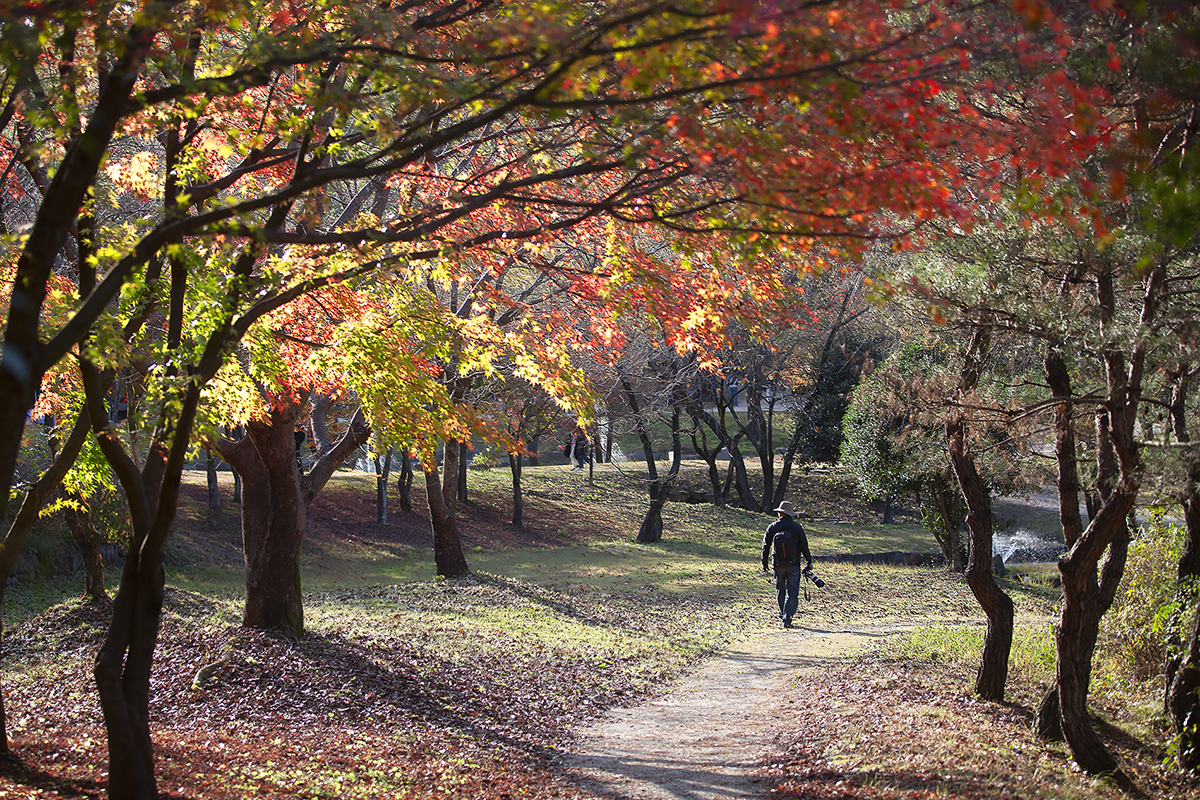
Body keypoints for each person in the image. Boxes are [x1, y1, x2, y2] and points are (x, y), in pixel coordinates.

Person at [761, 500, 812, 628]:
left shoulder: (773, 527)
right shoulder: (797, 527)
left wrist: (764, 563)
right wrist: (809, 561)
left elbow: (766, 546)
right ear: (790, 514)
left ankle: (782, 613)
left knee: (780, 589)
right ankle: (787, 617)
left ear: (780, 513)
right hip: (793, 563)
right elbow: (804, 546)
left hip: (777, 564)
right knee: (792, 591)